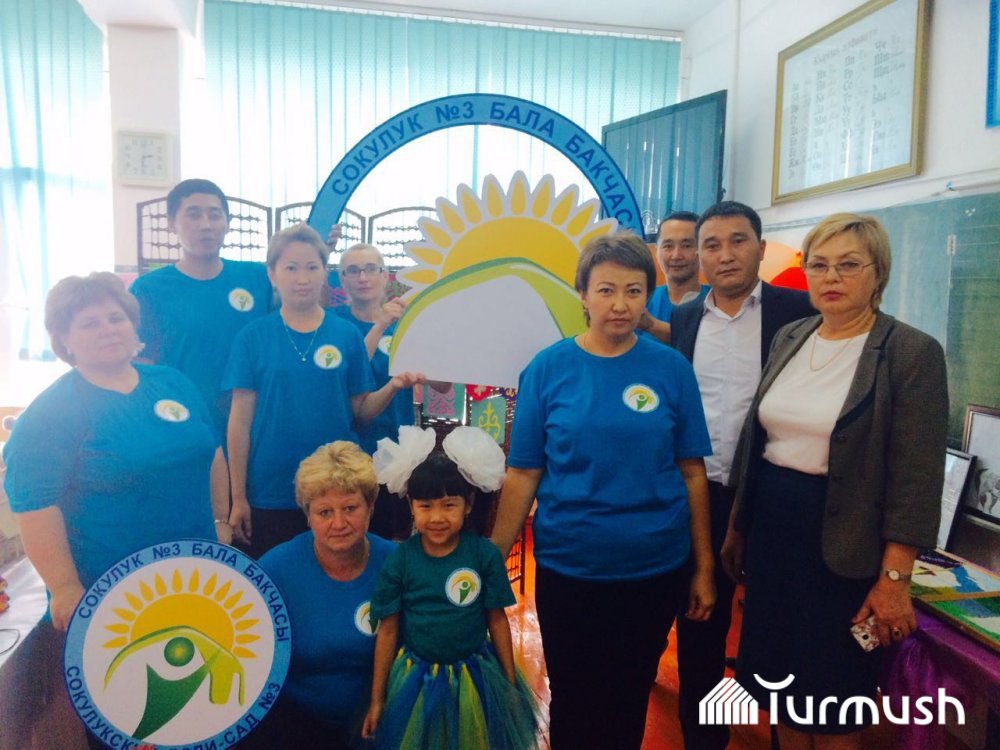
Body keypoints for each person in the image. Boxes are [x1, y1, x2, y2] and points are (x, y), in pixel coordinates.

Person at [720, 213, 948, 748]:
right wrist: (738, 526)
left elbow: (915, 478)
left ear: (878, 273)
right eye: (819, 265)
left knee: (834, 700)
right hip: (774, 539)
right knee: (780, 689)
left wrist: (894, 580)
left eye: (848, 265)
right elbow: (758, 441)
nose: (831, 277)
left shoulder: (910, 352)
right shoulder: (792, 336)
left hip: (846, 552)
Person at [492, 232, 715, 750]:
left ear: (647, 297)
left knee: (628, 694)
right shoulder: (547, 368)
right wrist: (493, 558)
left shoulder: (671, 369)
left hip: (653, 568)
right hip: (570, 566)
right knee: (573, 694)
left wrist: (703, 566)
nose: (620, 304)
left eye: (634, 291)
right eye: (607, 290)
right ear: (583, 295)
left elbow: (692, 471)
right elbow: (524, 473)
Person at [3, 273, 229, 629]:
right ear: (64, 340)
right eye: (89, 324)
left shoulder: (172, 382)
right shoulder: (50, 413)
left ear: (133, 325)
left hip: (196, 574)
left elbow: (211, 451)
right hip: (113, 594)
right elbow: (35, 506)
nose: (107, 330)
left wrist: (220, 522)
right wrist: (64, 587)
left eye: (115, 318)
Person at [669, 200, 814, 750]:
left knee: (776, 628)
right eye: (712, 244)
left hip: (771, 496)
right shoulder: (685, 319)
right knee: (699, 625)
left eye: (737, 241)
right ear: (699, 256)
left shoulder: (798, 312)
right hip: (698, 495)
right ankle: (704, 740)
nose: (724, 254)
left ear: (760, 247)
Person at [223, 223, 424, 558]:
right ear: (272, 274)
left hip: (338, 491)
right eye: (291, 268)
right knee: (276, 579)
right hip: (271, 490)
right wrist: (238, 497)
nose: (302, 278)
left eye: (312, 267)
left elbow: (360, 412)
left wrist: (393, 386)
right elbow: (239, 423)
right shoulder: (252, 337)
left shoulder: (346, 335)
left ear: (324, 274)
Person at [362, 426, 537, 750]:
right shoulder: (401, 560)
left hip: (475, 678)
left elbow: (497, 620)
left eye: (448, 505)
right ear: (411, 505)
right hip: (416, 681)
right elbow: (388, 629)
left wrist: (510, 686)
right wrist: (377, 699)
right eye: (426, 506)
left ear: (468, 504)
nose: (437, 517)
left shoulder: (483, 555)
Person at [242, 440, 396, 750]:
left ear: (371, 507)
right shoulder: (273, 569)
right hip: (293, 726)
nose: (338, 523)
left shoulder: (398, 563)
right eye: (324, 512)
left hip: (381, 722)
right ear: (308, 515)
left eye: (350, 508)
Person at [130, 178, 273, 435]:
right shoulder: (148, 289)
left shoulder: (256, 277)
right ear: (172, 223)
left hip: (253, 424)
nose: (206, 225)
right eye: (193, 215)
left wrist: (320, 250)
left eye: (214, 215)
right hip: (183, 426)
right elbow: (142, 365)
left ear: (227, 223)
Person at [334, 243, 415, 539]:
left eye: (370, 269)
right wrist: (379, 325)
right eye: (353, 271)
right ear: (342, 280)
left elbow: (442, 385)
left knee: (392, 537)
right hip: (350, 451)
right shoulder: (334, 323)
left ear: (385, 275)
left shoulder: (405, 322)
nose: (363, 277)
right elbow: (347, 373)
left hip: (398, 452)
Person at [639, 210, 710, 344]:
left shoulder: (717, 300)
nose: (676, 255)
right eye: (668, 246)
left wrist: (652, 325)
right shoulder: (643, 299)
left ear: (702, 249)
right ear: (656, 250)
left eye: (686, 246)